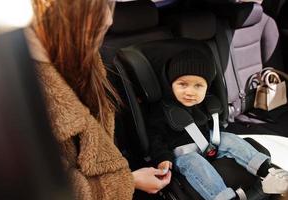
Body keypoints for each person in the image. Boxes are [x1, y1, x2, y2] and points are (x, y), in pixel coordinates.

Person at [26, 0, 171, 199]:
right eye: (97, 5)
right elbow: (56, 189)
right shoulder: (17, 95)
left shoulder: (87, 60)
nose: (109, 19)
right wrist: (130, 181)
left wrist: (129, 179)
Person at [147, 47, 288, 200]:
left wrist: (219, 137)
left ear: (207, 87)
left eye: (198, 86)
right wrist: (163, 158)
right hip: (184, 155)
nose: (190, 92)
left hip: (210, 145)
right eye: (182, 84)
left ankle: (267, 173)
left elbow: (216, 127)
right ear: (170, 84)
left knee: (229, 138)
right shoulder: (163, 110)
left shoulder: (208, 103)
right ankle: (224, 197)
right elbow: (155, 138)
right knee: (195, 163)